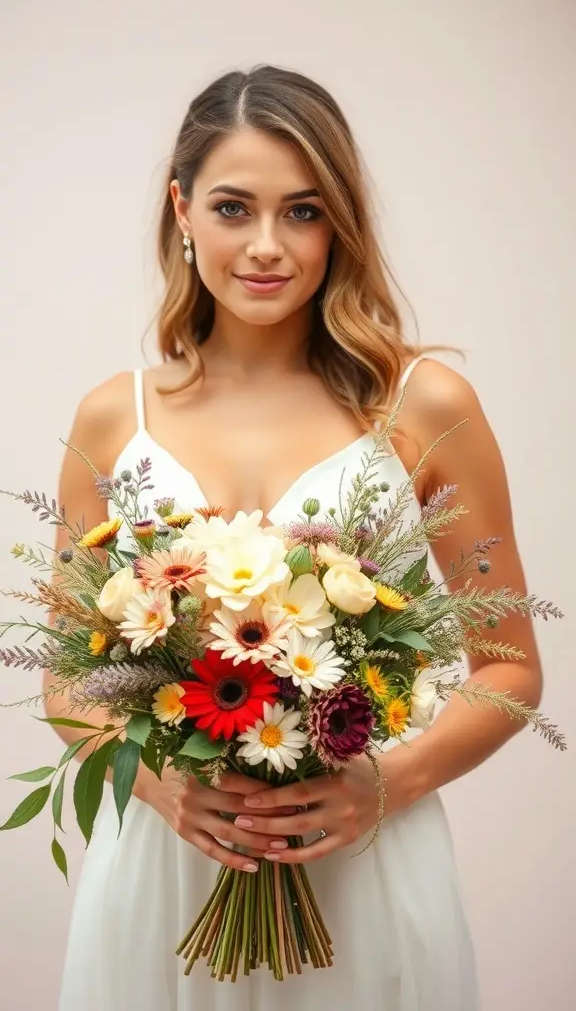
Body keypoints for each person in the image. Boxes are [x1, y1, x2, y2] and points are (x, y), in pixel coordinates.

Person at [50, 65, 542, 1010]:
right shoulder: (114, 419)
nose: (268, 246)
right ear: (182, 210)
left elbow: (511, 667)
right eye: (235, 207)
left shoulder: (425, 406)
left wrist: (382, 785)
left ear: (340, 222)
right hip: (167, 871)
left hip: (365, 865)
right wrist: (162, 787)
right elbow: (66, 679)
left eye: (304, 212)